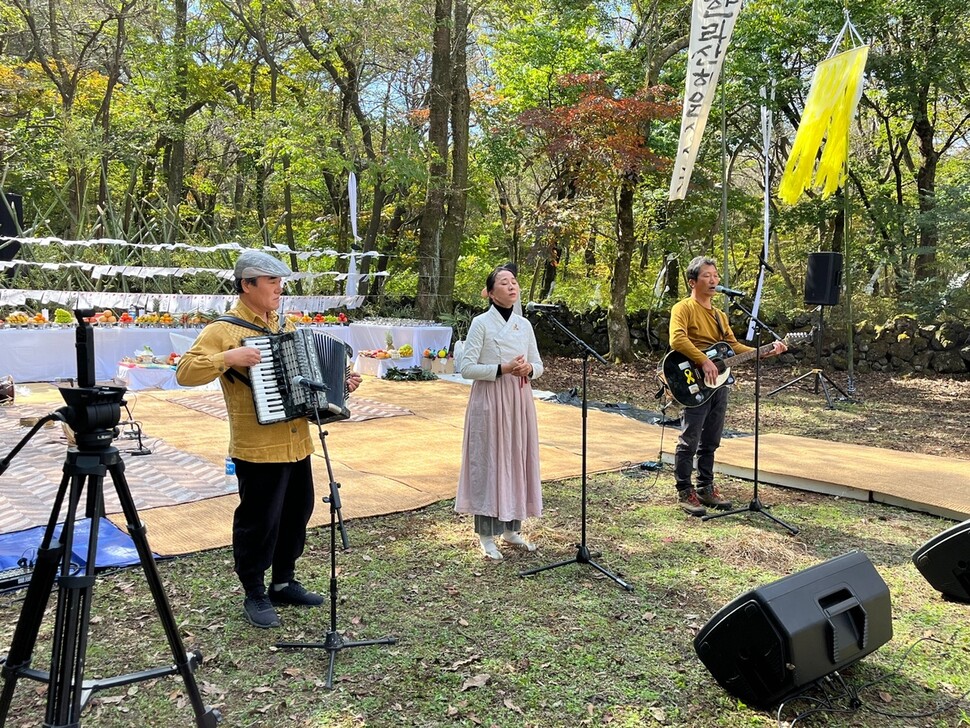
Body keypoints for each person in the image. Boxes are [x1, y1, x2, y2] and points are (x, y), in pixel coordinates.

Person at [176, 249, 361, 628]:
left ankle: (283, 581)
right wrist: (229, 358)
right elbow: (185, 372)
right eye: (272, 282)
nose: (280, 289)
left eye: (281, 282)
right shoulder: (223, 331)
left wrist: (340, 388)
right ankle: (254, 592)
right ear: (247, 285)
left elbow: (304, 384)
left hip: (297, 443)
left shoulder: (285, 326)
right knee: (259, 521)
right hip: (257, 448)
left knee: (297, 514)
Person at [668, 256, 786, 517]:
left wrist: (764, 351)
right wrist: (702, 360)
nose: (713, 280)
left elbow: (733, 348)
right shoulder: (683, 308)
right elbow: (677, 339)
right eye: (707, 275)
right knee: (690, 438)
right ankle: (684, 490)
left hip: (719, 383)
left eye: (716, 275)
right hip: (692, 380)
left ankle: (705, 487)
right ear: (692, 282)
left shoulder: (720, 315)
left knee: (711, 438)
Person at [456, 265, 543, 560]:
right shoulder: (481, 323)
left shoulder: (524, 325)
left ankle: (511, 527)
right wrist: (503, 369)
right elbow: (466, 368)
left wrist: (528, 368)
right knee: (490, 459)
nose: (511, 286)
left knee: (516, 458)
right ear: (491, 294)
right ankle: (485, 533)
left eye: (514, 282)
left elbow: (538, 365)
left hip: (519, 399)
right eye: (504, 283)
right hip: (490, 399)